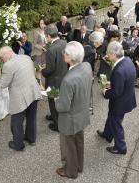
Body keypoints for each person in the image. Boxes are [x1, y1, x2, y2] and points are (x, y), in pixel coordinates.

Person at [55, 42, 92, 179]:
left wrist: (56, 100)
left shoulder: (68, 79)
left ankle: (70, 171)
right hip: (81, 114)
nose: (63, 54)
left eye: (65, 53)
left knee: (68, 147)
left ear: (70, 57)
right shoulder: (87, 66)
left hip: (69, 119)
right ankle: (78, 166)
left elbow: (63, 107)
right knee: (79, 142)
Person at [0, 47, 42, 151]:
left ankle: (18, 145)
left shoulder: (8, 65)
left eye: (2, 57)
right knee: (31, 117)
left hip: (20, 97)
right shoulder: (26, 57)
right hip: (33, 91)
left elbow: (2, 85)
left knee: (16, 121)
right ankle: (31, 139)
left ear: (7, 54)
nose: (2, 59)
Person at [97, 41, 137, 155]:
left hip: (120, 102)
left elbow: (116, 92)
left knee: (116, 123)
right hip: (127, 98)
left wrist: (105, 91)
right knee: (111, 117)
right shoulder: (127, 60)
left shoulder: (119, 70)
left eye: (108, 53)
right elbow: (124, 81)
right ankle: (107, 134)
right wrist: (112, 83)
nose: (107, 55)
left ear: (114, 54)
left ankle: (121, 147)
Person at [41, 25, 68, 132]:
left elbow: (50, 69)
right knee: (58, 100)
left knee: (52, 101)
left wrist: (42, 70)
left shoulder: (51, 49)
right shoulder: (64, 43)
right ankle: (54, 116)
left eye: (45, 36)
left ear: (48, 36)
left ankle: (57, 124)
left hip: (54, 80)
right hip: (63, 76)